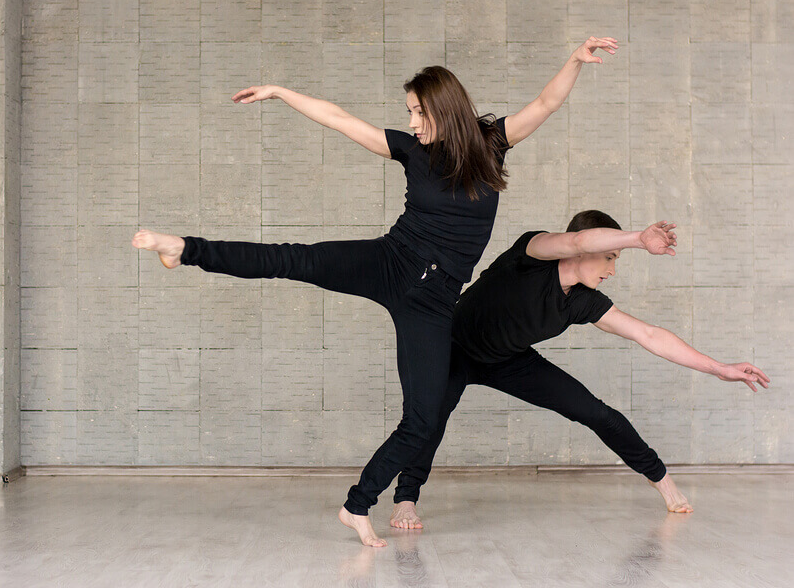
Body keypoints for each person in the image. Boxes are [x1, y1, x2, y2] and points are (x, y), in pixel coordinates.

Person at [133, 37, 620, 547]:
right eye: (408, 112)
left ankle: (357, 505)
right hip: (390, 262)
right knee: (290, 257)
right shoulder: (411, 150)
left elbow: (545, 103)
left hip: (433, 302)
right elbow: (341, 119)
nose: (410, 122)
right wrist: (280, 91)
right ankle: (184, 248)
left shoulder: (491, 142)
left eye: (417, 112)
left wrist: (573, 61)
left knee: (424, 418)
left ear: (443, 108)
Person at [389, 211, 770, 529]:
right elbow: (574, 243)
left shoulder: (584, 302)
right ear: (590, 247)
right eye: (610, 257)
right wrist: (638, 238)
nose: (612, 270)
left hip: (508, 359)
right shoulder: (531, 254)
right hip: (453, 347)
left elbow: (649, 335)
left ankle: (662, 480)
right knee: (431, 417)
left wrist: (718, 368)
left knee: (595, 412)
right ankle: (405, 501)